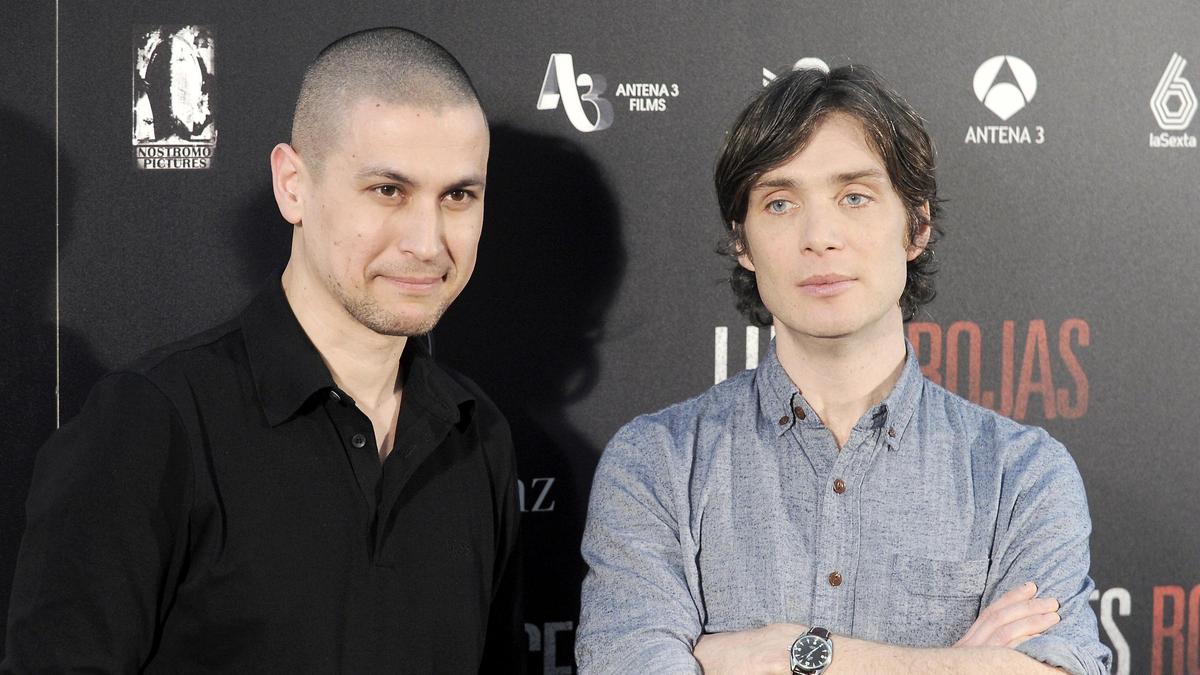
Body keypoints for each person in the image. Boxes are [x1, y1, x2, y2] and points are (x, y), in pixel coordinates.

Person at [3, 27, 519, 673]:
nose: (427, 240)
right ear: (293, 184)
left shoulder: (476, 434)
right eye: (388, 190)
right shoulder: (152, 423)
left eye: (458, 196)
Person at [577, 65, 1110, 675]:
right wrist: (955, 665)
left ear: (917, 224)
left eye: (854, 197)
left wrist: (794, 657)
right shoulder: (657, 463)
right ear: (743, 242)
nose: (820, 235)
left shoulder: (1021, 476)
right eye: (780, 203)